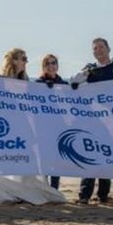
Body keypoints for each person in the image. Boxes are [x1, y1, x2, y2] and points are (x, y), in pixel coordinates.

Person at [71, 37, 113, 205]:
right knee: (91, 155)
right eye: (95, 48)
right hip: (94, 121)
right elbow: (73, 82)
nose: (98, 50)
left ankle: (103, 195)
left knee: (110, 156)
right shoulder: (90, 70)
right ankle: (84, 196)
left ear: (108, 48)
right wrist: (85, 73)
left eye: (101, 47)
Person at [35, 54, 68, 190]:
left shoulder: (64, 85)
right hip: (42, 127)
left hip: (59, 127)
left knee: (57, 159)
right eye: (47, 64)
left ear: (57, 65)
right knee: (45, 160)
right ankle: (44, 187)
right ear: (43, 67)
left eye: (53, 63)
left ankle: (55, 189)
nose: (51, 66)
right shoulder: (37, 84)